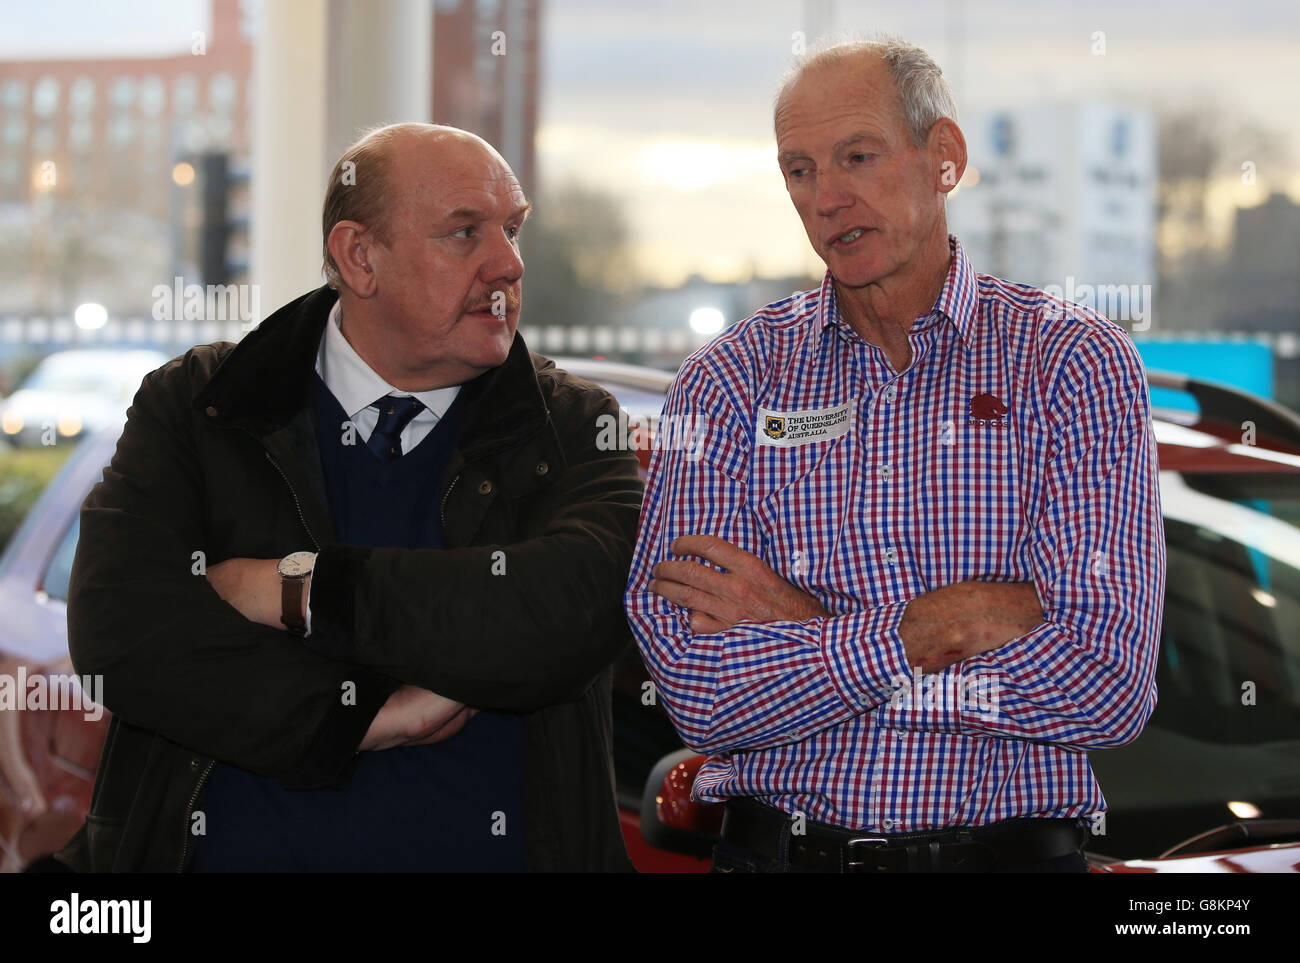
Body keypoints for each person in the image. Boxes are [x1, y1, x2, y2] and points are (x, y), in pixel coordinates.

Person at [624, 38, 1164, 873]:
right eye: (799, 170)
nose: (828, 198)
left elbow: (1105, 686)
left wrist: (810, 629)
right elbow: (698, 690)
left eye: (857, 157)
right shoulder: (730, 381)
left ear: (943, 157)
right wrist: (928, 629)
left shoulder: (1071, 366)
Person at [56, 123, 642, 872]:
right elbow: (122, 632)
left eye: (513, 228)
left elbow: (566, 613)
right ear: (359, 256)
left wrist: (296, 590)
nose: (509, 263)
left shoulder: (571, 424)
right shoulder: (203, 405)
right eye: (464, 233)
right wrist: (365, 716)